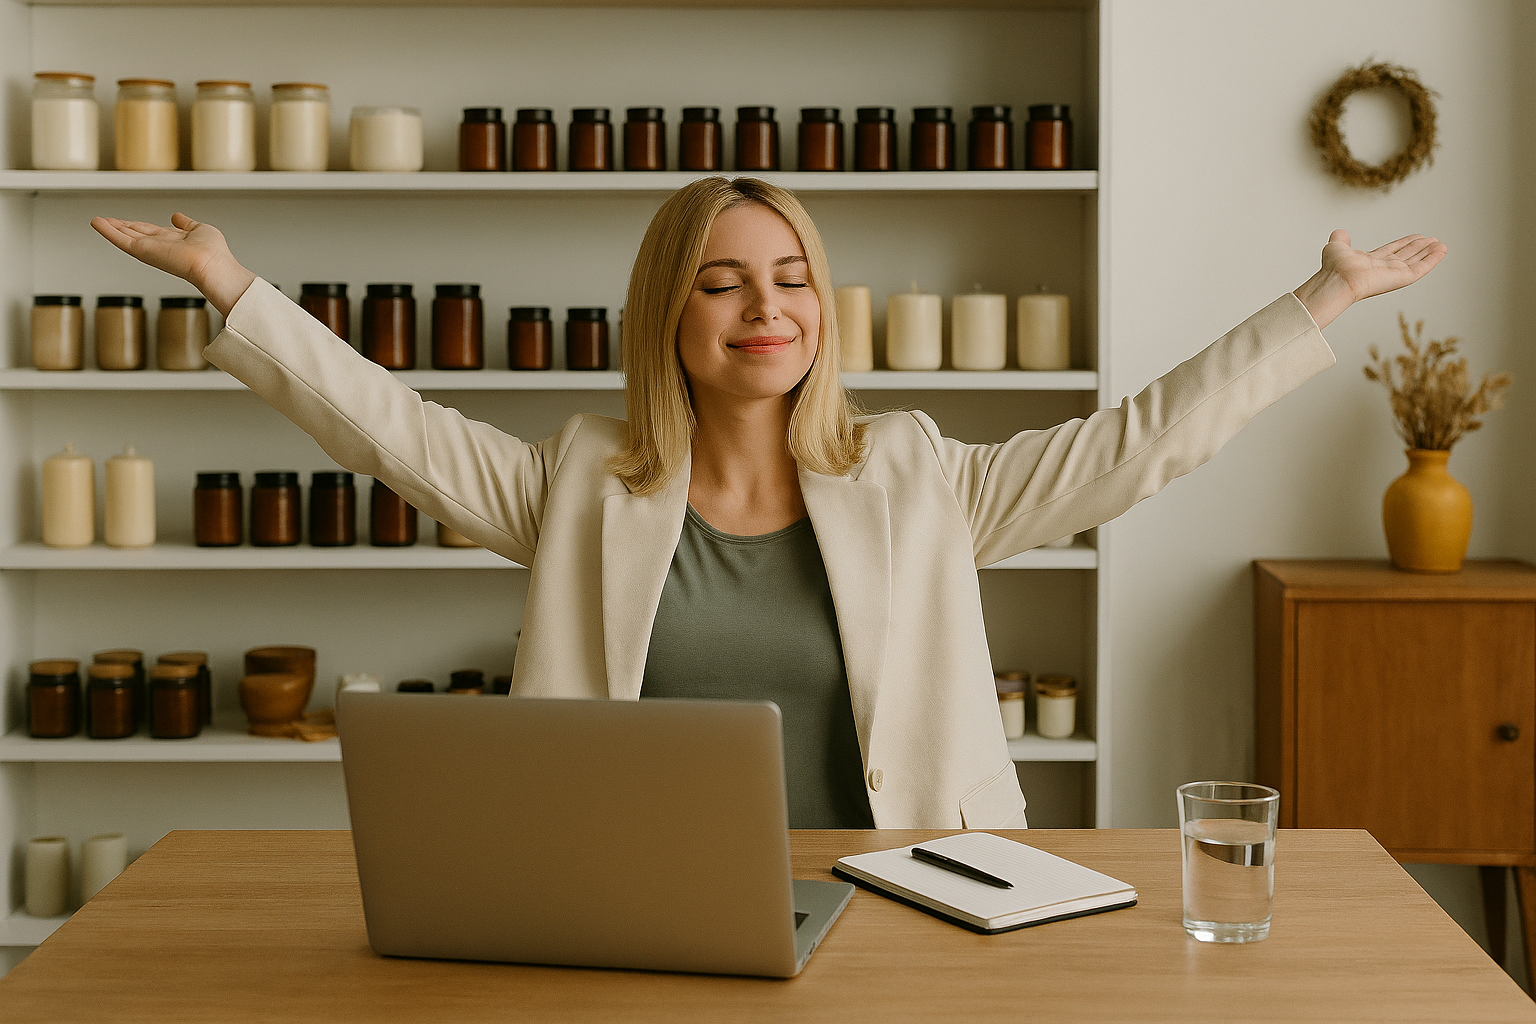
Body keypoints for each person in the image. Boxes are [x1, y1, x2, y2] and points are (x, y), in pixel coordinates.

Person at [91, 177, 1445, 829]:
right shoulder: (580, 486)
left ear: (821, 308)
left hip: (909, 897)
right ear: (669, 311)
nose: (765, 306)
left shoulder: (916, 472)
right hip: (635, 914)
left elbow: (1142, 441)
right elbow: (389, 426)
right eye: (723, 279)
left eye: (791, 276)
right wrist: (233, 286)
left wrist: (1317, 299)